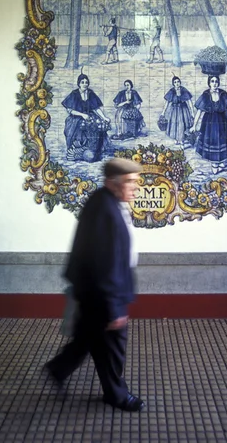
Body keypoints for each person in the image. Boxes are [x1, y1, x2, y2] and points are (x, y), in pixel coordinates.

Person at [45, 158, 145, 413]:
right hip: (102, 294)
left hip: (94, 291)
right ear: (112, 183)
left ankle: (58, 368)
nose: (136, 188)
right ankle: (117, 396)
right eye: (131, 182)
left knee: (88, 337)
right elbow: (104, 263)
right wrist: (114, 308)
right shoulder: (105, 209)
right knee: (112, 346)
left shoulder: (106, 201)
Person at [190, 74, 227, 174]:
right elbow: (199, 111)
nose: (214, 83)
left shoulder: (223, 94)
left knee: (222, 141)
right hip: (209, 124)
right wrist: (194, 125)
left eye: (216, 81)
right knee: (213, 142)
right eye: (212, 81)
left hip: (222, 121)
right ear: (209, 83)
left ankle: (221, 162)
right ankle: (214, 163)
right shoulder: (205, 95)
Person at [62, 73, 111, 162]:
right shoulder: (74, 94)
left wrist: (104, 117)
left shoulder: (90, 93)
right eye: (82, 82)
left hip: (90, 116)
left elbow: (96, 108)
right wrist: (82, 115)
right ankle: (77, 149)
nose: (85, 84)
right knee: (77, 129)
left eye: (86, 82)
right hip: (76, 117)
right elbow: (70, 110)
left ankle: (94, 149)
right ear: (79, 84)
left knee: (97, 125)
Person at [161, 76, 194, 145]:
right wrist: (163, 112)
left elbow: (189, 101)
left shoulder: (184, 90)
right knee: (174, 124)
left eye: (178, 82)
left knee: (183, 124)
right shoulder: (172, 91)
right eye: (175, 82)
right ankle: (176, 139)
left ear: (180, 82)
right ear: (173, 83)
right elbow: (167, 103)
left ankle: (182, 139)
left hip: (183, 110)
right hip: (174, 110)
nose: (177, 83)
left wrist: (192, 113)